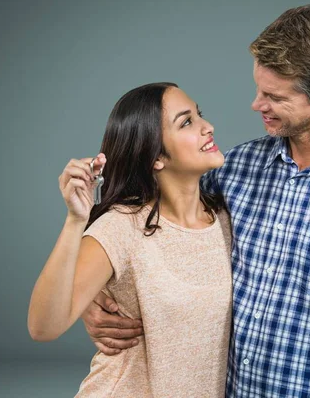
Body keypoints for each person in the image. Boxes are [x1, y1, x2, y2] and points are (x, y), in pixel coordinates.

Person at [81, 5, 310, 397]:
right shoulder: (237, 168)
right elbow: (137, 198)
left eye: (275, 96)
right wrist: (94, 293)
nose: (256, 104)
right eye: (259, 89)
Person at [27, 82, 234, 397]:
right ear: (156, 158)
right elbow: (43, 327)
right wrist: (75, 221)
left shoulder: (226, 221)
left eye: (199, 115)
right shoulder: (121, 228)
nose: (208, 127)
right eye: (187, 122)